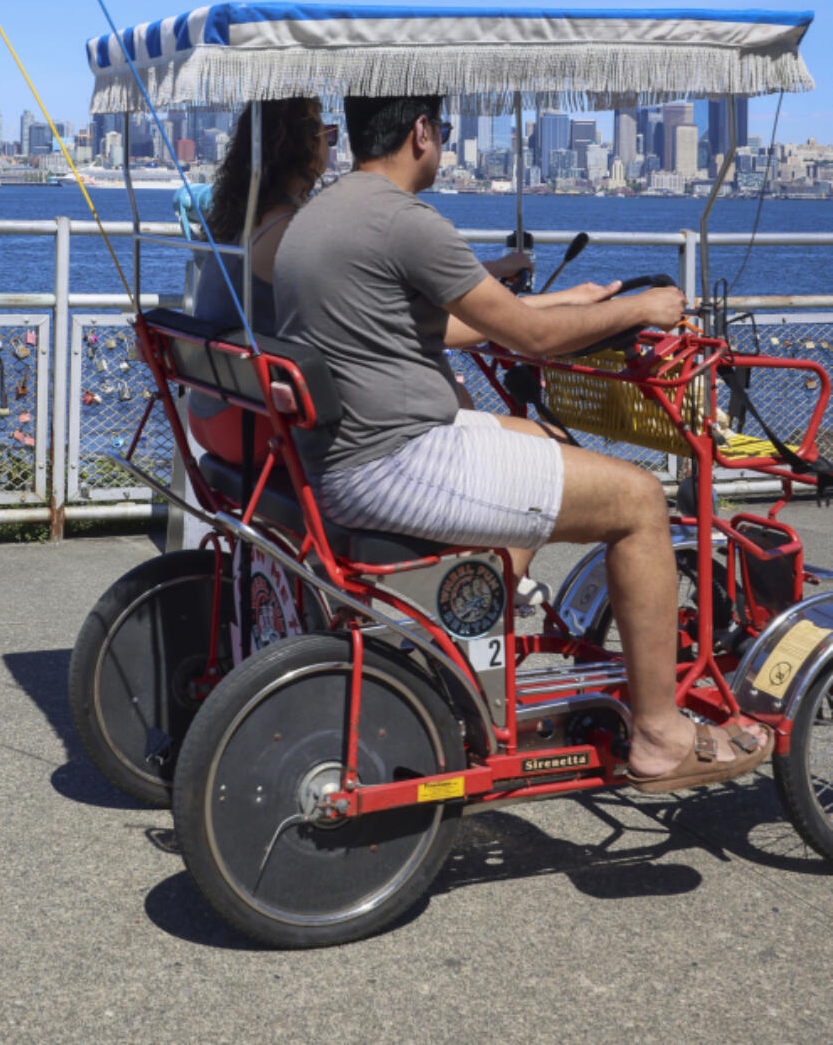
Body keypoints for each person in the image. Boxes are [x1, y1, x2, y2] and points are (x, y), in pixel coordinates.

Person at [274, 93, 772, 793]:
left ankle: (483, 653)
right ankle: (662, 734)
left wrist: (577, 303)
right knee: (637, 500)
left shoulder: (322, 215)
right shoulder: (405, 222)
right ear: (421, 132)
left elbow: (446, 329)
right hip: (397, 460)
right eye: (441, 132)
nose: (442, 145)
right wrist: (643, 308)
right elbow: (529, 340)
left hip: (344, 455)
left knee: (531, 434)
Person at [188, 98, 333, 462]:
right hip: (254, 429)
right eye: (327, 133)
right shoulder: (287, 228)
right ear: (305, 146)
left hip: (208, 412)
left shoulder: (238, 219)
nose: (330, 143)